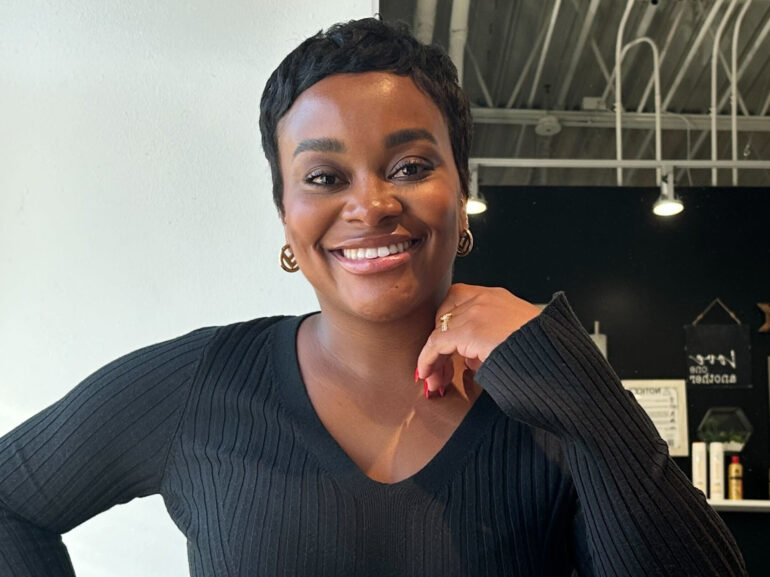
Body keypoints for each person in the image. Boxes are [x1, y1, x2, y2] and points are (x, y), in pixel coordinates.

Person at [0, 16, 747, 577]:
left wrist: (577, 383)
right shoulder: (202, 385)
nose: (372, 204)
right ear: (286, 213)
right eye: (325, 178)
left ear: (462, 189)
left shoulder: (547, 401)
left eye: (411, 164)